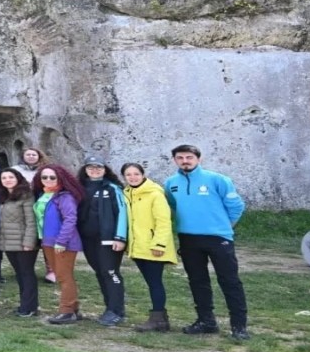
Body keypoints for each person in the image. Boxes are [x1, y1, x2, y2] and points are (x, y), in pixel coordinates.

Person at [164, 144, 248, 340]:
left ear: (198, 159)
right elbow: (173, 206)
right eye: (180, 158)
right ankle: (206, 321)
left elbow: (236, 206)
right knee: (198, 281)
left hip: (218, 238)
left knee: (229, 281)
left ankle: (239, 326)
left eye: (189, 157)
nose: (185, 161)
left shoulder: (217, 179)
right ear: (175, 160)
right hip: (188, 239)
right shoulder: (170, 183)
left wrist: (225, 227)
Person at [122, 162, 176, 332]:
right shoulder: (127, 193)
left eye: (136, 174)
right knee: (151, 282)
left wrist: (159, 243)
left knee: (155, 283)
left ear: (143, 174)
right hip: (138, 247)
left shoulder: (155, 194)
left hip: (153, 247)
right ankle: (161, 319)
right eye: (128, 174)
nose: (133, 177)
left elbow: (163, 221)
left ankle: (158, 319)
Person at [77, 155, 129, 326]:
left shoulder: (112, 188)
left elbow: (122, 212)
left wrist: (120, 237)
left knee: (110, 272)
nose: (94, 170)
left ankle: (117, 311)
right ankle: (109, 307)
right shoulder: (81, 187)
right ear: (85, 170)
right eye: (90, 167)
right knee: (100, 272)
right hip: (88, 239)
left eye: (98, 167)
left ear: (105, 169)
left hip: (108, 239)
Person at [41, 164, 86, 325]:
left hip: (62, 243)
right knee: (61, 276)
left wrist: (61, 241)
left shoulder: (65, 196)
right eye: (44, 177)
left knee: (64, 276)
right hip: (48, 242)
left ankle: (66, 311)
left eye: (52, 177)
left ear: (60, 178)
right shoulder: (47, 195)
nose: (48, 180)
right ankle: (73, 308)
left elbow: (70, 219)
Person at [0, 168, 38, 317]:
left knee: (27, 274)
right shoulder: (4, 197)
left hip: (23, 242)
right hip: (8, 242)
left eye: (10, 177)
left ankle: (30, 307)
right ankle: (24, 304)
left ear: (18, 178)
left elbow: (31, 221)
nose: (7, 180)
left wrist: (29, 242)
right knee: (20, 274)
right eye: (4, 178)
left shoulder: (26, 196)